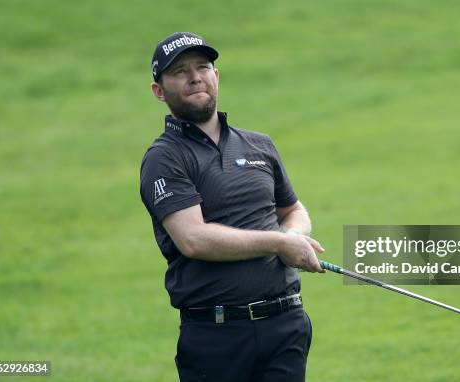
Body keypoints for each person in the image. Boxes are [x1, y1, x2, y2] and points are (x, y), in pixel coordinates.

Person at [139, 31, 325, 382]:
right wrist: (279, 243)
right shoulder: (164, 158)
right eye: (179, 71)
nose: (195, 76)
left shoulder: (259, 144)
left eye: (203, 67)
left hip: (286, 325)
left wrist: (294, 237)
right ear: (158, 91)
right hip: (216, 335)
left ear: (216, 76)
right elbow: (193, 238)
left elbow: (293, 211)